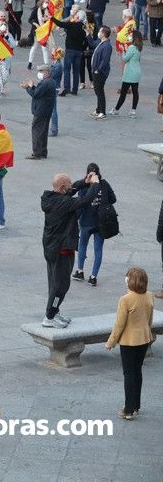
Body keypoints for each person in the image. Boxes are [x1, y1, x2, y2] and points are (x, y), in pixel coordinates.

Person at [41, 171, 100, 327]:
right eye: (69, 184)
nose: (72, 186)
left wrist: (84, 182)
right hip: (61, 250)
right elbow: (86, 199)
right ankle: (49, 316)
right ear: (62, 187)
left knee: (54, 283)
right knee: (61, 286)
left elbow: (71, 190)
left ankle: (54, 311)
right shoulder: (64, 203)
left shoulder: (51, 198)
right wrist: (95, 184)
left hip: (51, 247)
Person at [104, 267, 155, 420]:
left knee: (128, 374)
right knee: (137, 371)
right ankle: (136, 405)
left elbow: (119, 325)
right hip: (144, 339)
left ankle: (128, 409)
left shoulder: (125, 300)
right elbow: (150, 319)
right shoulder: (149, 296)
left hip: (129, 341)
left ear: (130, 281)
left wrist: (110, 342)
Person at [73, 162, 116, 286]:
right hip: (101, 223)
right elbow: (113, 199)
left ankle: (80, 271)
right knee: (98, 249)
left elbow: (80, 203)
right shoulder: (104, 184)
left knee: (82, 246)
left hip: (86, 222)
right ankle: (93, 277)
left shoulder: (84, 187)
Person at [22, 64, 56, 159]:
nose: (39, 73)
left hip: (41, 110)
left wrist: (28, 88)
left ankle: (37, 153)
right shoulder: (51, 82)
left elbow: (36, 94)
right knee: (43, 131)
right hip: (47, 110)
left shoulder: (45, 83)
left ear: (47, 72)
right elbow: (39, 92)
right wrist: (32, 86)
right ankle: (43, 152)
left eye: (41, 71)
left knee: (37, 131)